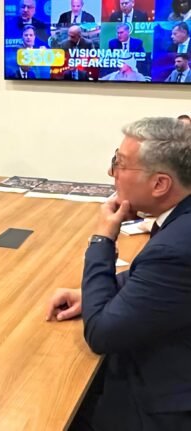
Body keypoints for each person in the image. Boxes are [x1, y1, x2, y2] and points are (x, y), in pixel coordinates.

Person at [46, 117, 191, 430]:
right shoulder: (181, 220)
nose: (111, 173)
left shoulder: (176, 248)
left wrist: (102, 238)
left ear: (160, 184)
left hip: (163, 404)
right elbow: (156, 283)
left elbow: (101, 334)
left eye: (120, 164)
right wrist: (89, 294)